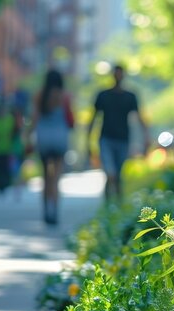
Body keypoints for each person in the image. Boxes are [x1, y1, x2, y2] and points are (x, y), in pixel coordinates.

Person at [87, 64, 149, 201]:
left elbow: (139, 117)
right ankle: (109, 201)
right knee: (110, 173)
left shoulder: (130, 96)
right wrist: (88, 141)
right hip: (106, 139)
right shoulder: (103, 95)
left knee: (118, 175)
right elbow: (93, 118)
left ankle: (117, 204)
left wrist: (146, 137)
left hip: (123, 139)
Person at [29, 69, 74, 224]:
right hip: (60, 137)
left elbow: (34, 118)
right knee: (56, 177)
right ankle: (54, 210)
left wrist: (29, 136)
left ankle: (45, 211)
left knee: (45, 176)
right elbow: (70, 119)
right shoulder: (65, 96)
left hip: (44, 138)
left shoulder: (40, 95)